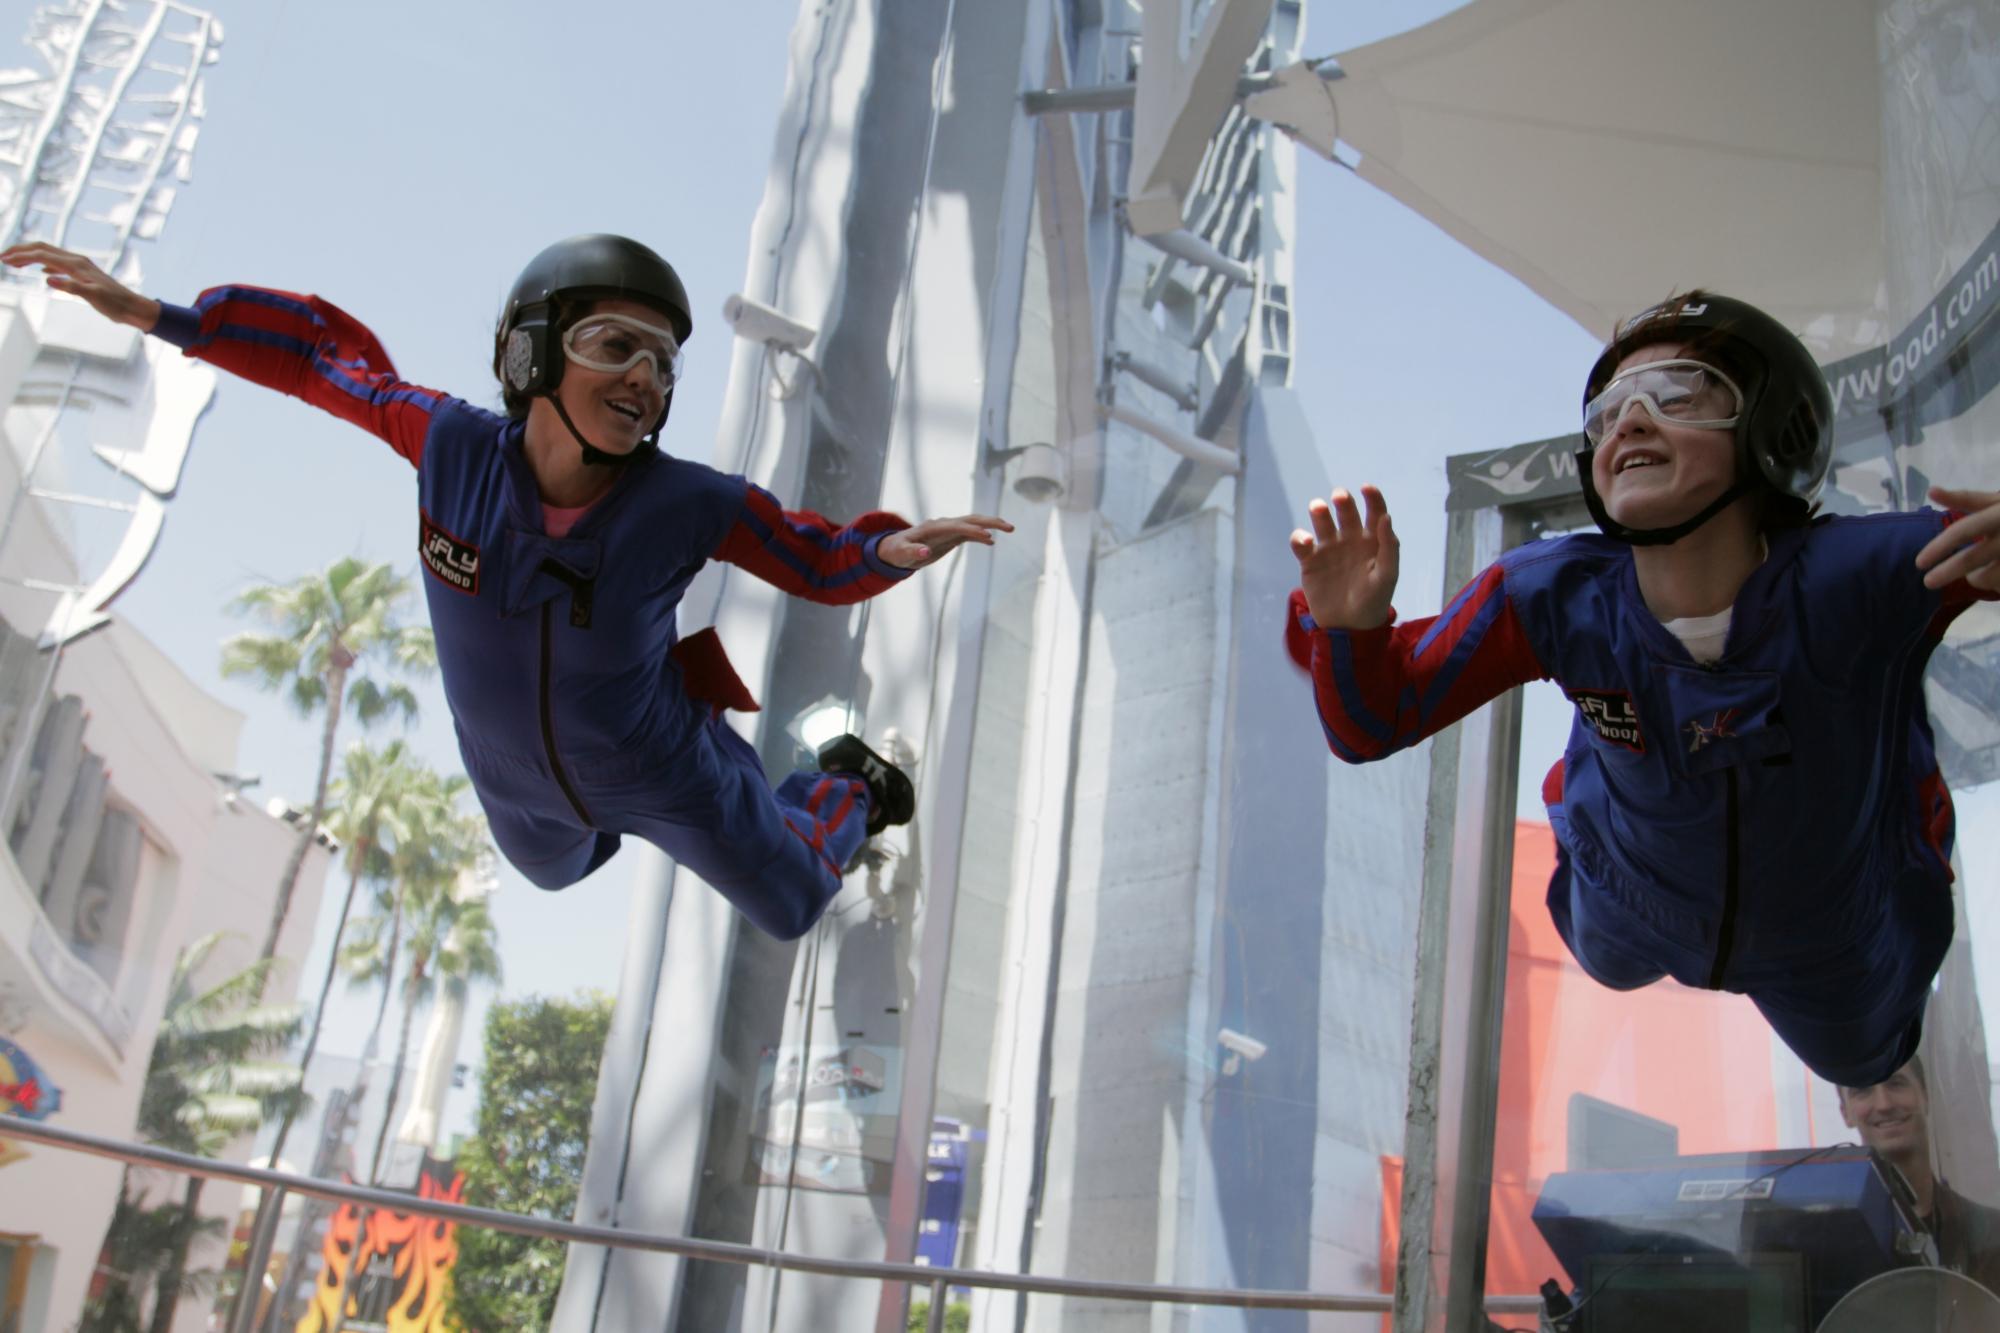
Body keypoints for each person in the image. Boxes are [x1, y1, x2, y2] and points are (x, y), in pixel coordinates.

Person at [1, 235, 1012, 940]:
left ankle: (843, 785)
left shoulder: (688, 503)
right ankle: (617, 825)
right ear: (530, 354)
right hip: (516, 785)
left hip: (661, 765)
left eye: (661, 365)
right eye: (615, 347)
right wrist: (156, 315)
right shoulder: (447, 445)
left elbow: (808, 554)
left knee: (792, 901)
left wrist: (883, 551)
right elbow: (318, 359)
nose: (645, 381)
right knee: (552, 869)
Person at [1284, 289, 2000, 1087]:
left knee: (1867, 1055)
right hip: (1627, 887)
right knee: (1604, 955)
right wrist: (1348, 633)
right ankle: (1587, 782)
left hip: (1828, 929)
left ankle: (1903, 797)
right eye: (1610, 411)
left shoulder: (1862, 577)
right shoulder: (1550, 594)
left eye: (1680, 393)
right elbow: (1371, 724)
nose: (1628, 420)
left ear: (1774, 427)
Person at [1840, 1055, 2000, 1293]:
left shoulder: (1991, 1233)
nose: (1884, 1104)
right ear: (1846, 1114)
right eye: (1862, 1091)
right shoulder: (1836, 1243)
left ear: (1925, 1095)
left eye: (1896, 1084)